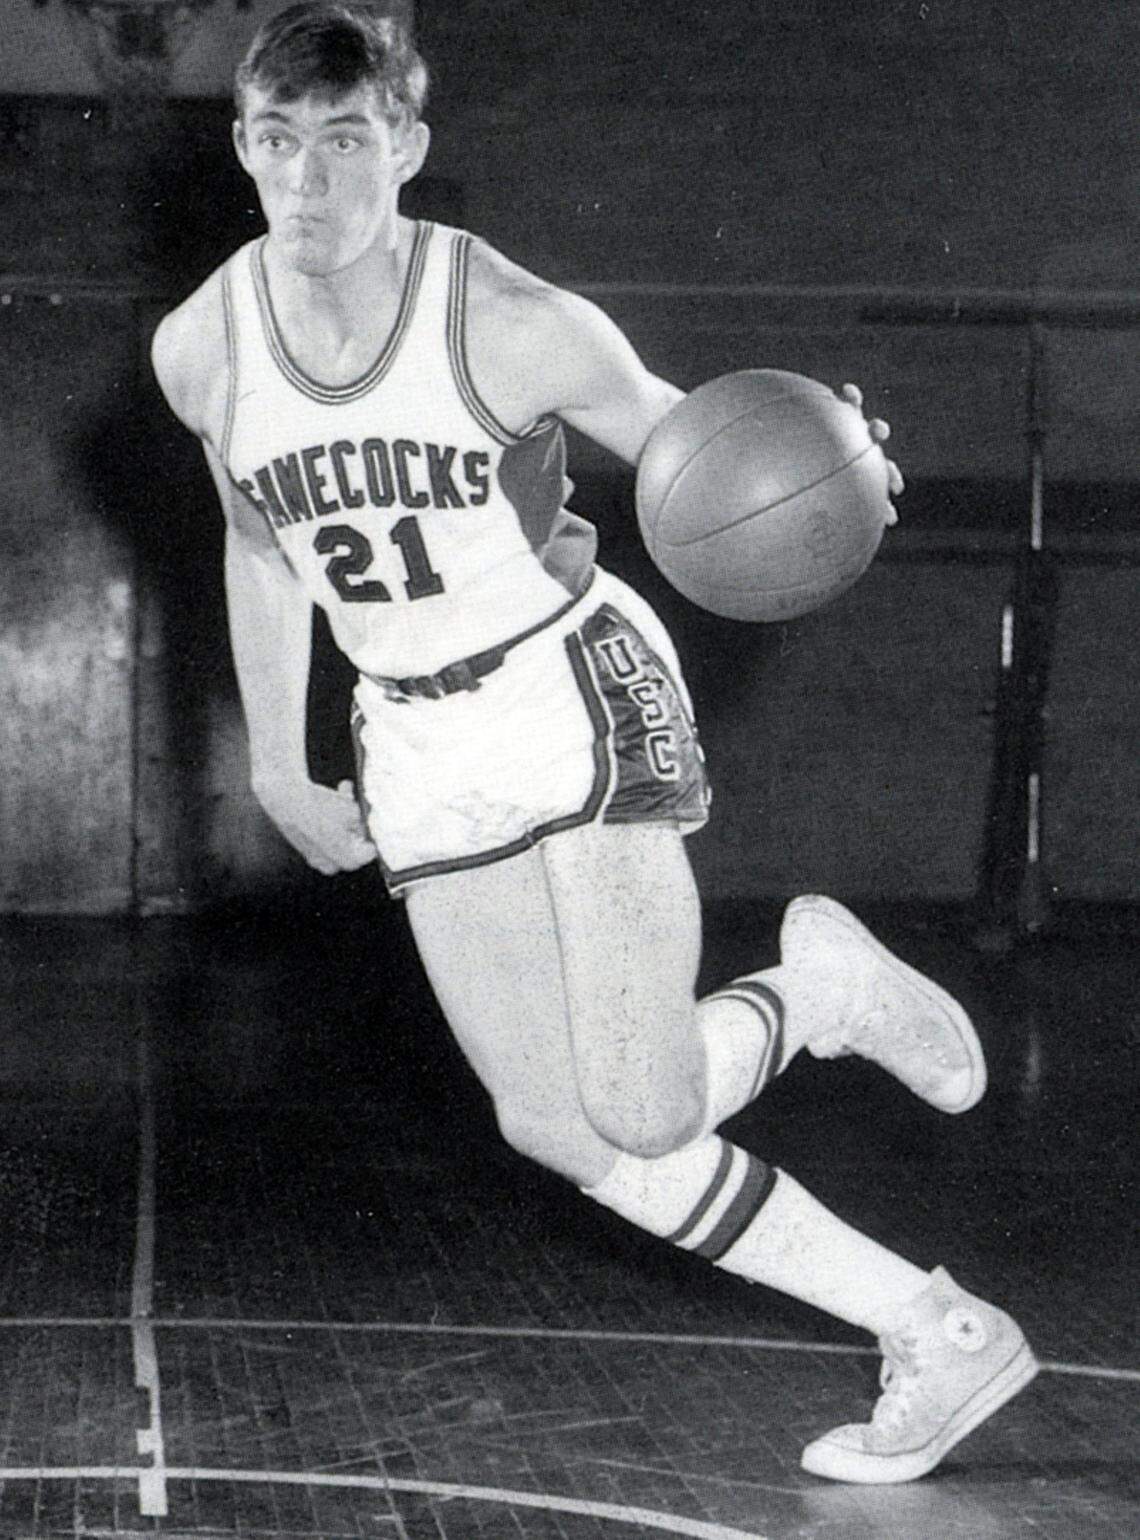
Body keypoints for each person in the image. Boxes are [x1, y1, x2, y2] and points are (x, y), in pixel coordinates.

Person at [151, 1, 1037, 1484]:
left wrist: (832, 463)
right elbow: (258, 550)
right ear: (243, 147)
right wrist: (276, 761)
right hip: (416, 739)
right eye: (279, 142)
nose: (310, 182)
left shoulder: (507, 318)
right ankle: (934, 1328)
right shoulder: (202, 350)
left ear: (408, 151)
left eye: (346, 143)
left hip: (570, 683)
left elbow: (696, 449)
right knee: (557, 1127)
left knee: (642, 1098)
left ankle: (810, 999)